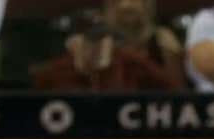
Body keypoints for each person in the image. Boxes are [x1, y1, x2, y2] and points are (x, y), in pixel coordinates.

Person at [33, 9, 178, 91]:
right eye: (89, 40)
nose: (97, 46)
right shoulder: (53, 73)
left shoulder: (132, 63)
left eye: (101, 38)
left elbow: (172, 91)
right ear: (71, 43)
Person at [105, 0, 187, 88]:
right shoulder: (103, 44)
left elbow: (177, 89)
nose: (126, 5)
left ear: (147, 4)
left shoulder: (162, 39)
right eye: (117, 1)